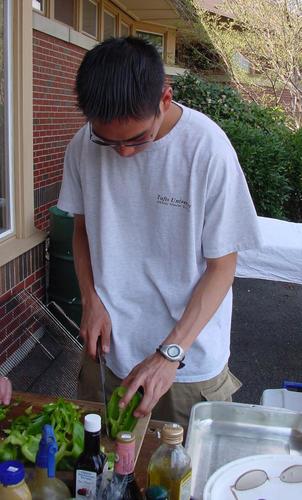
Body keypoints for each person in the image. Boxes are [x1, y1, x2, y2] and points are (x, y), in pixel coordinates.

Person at [58, 36, 262, 427]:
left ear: (165, 99)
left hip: (186, 363)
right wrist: (90, 299)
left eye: (137, 139)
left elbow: (222, 266)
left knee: (176, 475)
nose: (124, 153)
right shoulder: (83, 145)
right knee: (95, 469)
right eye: (108, 140)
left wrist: (169, 353)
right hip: (108, 351)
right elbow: (81, 229)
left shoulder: (207, 149)